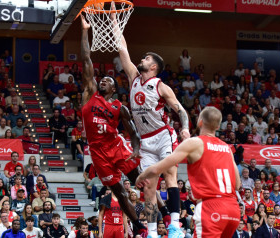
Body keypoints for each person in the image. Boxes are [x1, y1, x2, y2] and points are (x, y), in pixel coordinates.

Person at [115, 8, 193, 235]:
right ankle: (150, 230)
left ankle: (175, 225)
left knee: (170, 175)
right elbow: (122, 49)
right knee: (148, 187)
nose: (142, 59)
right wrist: (113, 20)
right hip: (144, 140)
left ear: (154, 67)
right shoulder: (133, 77)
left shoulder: (160, 85)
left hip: (163, 135)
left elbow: (181, 110)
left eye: (146, 58)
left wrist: (186, 129)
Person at [80, 16, 147, 234]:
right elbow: (86, 59)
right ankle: (138, 226)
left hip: (116, 146)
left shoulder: (120, 107)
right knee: (120, 192)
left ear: (114, 89)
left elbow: (133, 133)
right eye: (102, 79)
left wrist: (135, 150)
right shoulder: (90, 94)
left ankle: (157, 213)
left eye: (108, 80)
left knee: (141, 182)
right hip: (98, 153)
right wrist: (85, 31)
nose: (103, 81)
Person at [136, 106, 241, 238]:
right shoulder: (226, 148)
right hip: (233, 210)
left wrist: (141, 176)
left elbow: (158, 168)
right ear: (218, 126)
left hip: (211, 207)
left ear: (200, 121)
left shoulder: (195, 143)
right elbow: (237, 184)